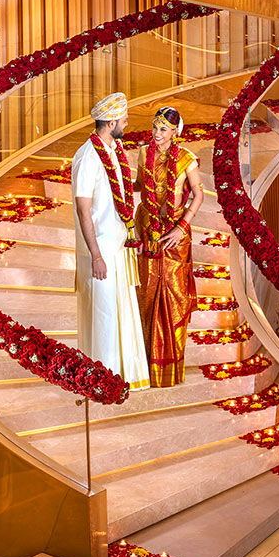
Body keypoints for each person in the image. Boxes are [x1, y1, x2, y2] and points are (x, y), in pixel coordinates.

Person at [71, 93, 149, 388]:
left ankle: (124, 375)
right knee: (103, 316)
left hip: (119, 247)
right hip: (100, 250)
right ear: (112, 122)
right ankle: (103, 381)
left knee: (121, 312)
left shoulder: (115, 149)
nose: (127, 125)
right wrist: (96, 255)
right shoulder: (88, 156)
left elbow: (123, 196)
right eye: (124, 120)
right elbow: (83, 208)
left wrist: (131, 231)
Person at [134, 105, 205, 387]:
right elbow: (139, 185)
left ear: (175, 132)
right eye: (155, 127)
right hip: (147, 230)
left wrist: (181, 227)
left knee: (175, 298)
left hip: (175, 234)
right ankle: (144, 367)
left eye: (163, 129)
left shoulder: (187, 159)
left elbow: (198, 195)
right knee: (147, 294)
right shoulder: (144, 153)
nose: (157, 133)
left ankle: (170, 368)